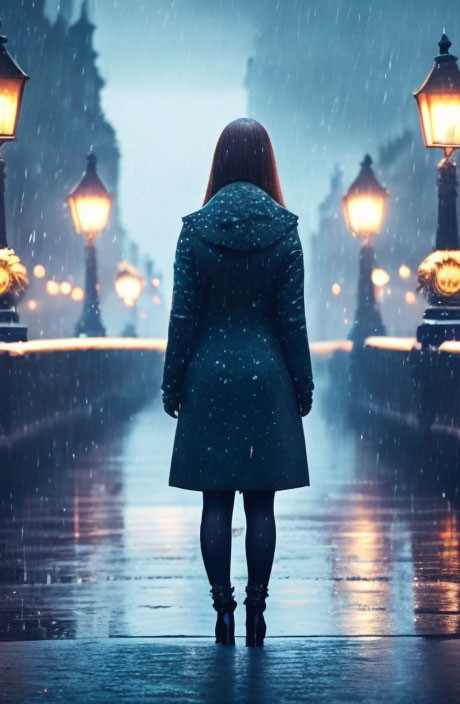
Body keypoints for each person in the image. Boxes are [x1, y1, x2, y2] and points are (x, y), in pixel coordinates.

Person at [161, 118, 313, 647]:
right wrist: (302, 383)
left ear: (220, 160)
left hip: (209, 376)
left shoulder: (195, 229)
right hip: (266, 376)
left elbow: (184, 317)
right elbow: (292, 319)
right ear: (266, 159)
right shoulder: (285, 230)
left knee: (215, 505)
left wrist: (172, 381)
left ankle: (221, 609)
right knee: (262, 505)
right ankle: (257, 609)